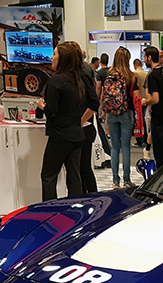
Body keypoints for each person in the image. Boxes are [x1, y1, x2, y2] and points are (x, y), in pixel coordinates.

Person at [37, 42, 88, 201]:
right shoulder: (78, 80)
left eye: (55, 54)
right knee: (74, 176)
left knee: (48, 176)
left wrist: (41, 105)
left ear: (62, 58)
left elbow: (51, 110)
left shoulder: (56, 80)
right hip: (76, 134)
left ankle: (49, 210)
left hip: (59, 135)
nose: (51, 57)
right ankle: (76, 208)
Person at [101, 46, 140, 189]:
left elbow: (103, 96)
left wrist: (104, 111)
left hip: (111, 114)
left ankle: (115, 180)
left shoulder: (109, 75)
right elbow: (136, 97)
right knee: (126, 147)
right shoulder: (131, 76)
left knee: (114, 147)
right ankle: (127, 180)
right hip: (126, 113)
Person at [71, 42, 99, 193]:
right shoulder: (83, 71)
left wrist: (81, 122)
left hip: (84, 128)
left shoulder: (81, 74)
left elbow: (94, 102)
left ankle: (92, 198)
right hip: (84, 127)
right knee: (82, 168)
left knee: (83, 168)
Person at [142, 45, 163, 167]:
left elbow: (155, 99)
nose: (144, 60)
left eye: (145, 57)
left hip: (158, 118)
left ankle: (161, 177)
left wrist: (145, 101)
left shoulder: (152, 75)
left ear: (150, 58)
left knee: (159, 155)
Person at [133, 58, 148, 147]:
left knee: (138, 120)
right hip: (145, 99)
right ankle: (145, 138)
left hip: (137, 100)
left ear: (135, 65)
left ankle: (140, 139)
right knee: (144, 119)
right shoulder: (146, 74)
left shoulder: (135, 74)